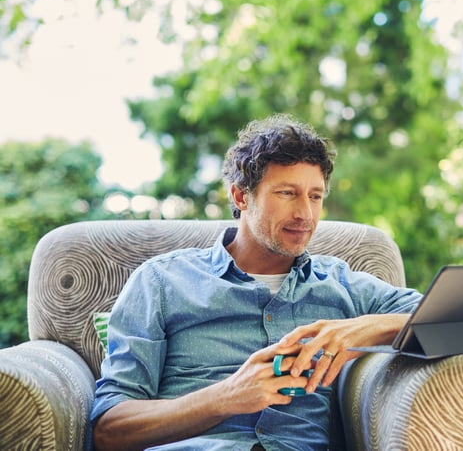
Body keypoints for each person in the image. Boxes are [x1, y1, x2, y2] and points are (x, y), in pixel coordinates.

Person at [90, 113, 422, 451]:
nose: (305, 214)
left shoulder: (343, 285)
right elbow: (108, 431)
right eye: (286, 193)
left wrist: (365, 329)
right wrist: (224, 397)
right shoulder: (161, 282)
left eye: (315, 196)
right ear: (240, 196)